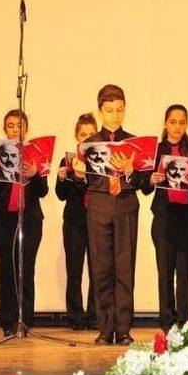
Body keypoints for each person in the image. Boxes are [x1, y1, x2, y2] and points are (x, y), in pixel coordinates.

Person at [72, 84, 147, 345]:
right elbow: (82, 182)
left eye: (120, 110)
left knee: (125, 269)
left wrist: (129, 171)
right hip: (99, 206)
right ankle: (105, 328)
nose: (115, 116)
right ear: (101, 110)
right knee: (101, 268)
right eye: (110, 110)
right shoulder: (90, 144)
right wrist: (80, 174)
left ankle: (124, 328)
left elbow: (145, 184)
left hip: (126, 205)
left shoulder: (135, 143)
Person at [142, 104, 188, 333]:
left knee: (185, 271)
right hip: (164, 217)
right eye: (173, 122)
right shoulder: (155, 151)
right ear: (165, 123)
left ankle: (185, 322)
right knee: (165, 271)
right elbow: (145, 188)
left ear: (186, 124)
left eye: (182, 122)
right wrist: (152, 179)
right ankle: (167, 323)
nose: (177, 126)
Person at [0, 109, 48, 336]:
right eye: (10, 125)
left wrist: (35, 173)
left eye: (19, 125)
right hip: (4, 221)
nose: (15, 129)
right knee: (7, 271)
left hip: (30, 221)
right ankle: (8, 322)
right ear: (5, 129)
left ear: (26, 128)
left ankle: (26, 322)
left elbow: (43, 191)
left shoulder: (35, 155)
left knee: (26, 271)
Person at [55, 113, 97, 330]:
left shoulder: (101, 160)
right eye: (83, 134)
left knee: (97, 269)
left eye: (92, 134)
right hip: (74, 221)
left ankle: (94, 315)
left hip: (98, 219)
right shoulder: (68, 160)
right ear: (76, 136)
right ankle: (75, 316)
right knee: (74, 269)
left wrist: (83, 177)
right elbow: (60, 194)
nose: (87, 138)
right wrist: (62, 178)